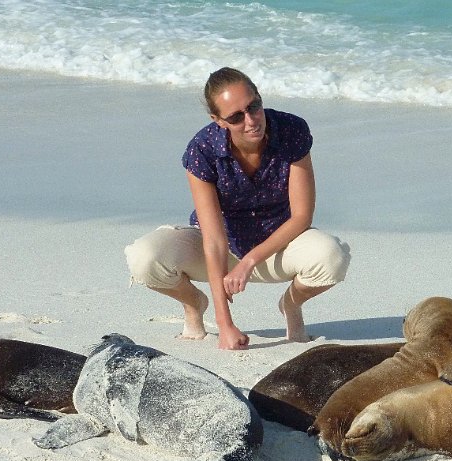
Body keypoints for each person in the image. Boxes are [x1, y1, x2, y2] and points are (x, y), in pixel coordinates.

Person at [125, 67, 350, 350]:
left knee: (332, 257)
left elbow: (302, 216)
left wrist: (249, 262)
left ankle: (290, 306)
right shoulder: (202, 149)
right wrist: (225, 323)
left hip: (277, 247)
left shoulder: (292, 130)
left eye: (254, 106)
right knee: (145, 259)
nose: (251, 120)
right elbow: (214, 239)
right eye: (236, 117)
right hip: (219, 250)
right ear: (218, 121)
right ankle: (195, 303)